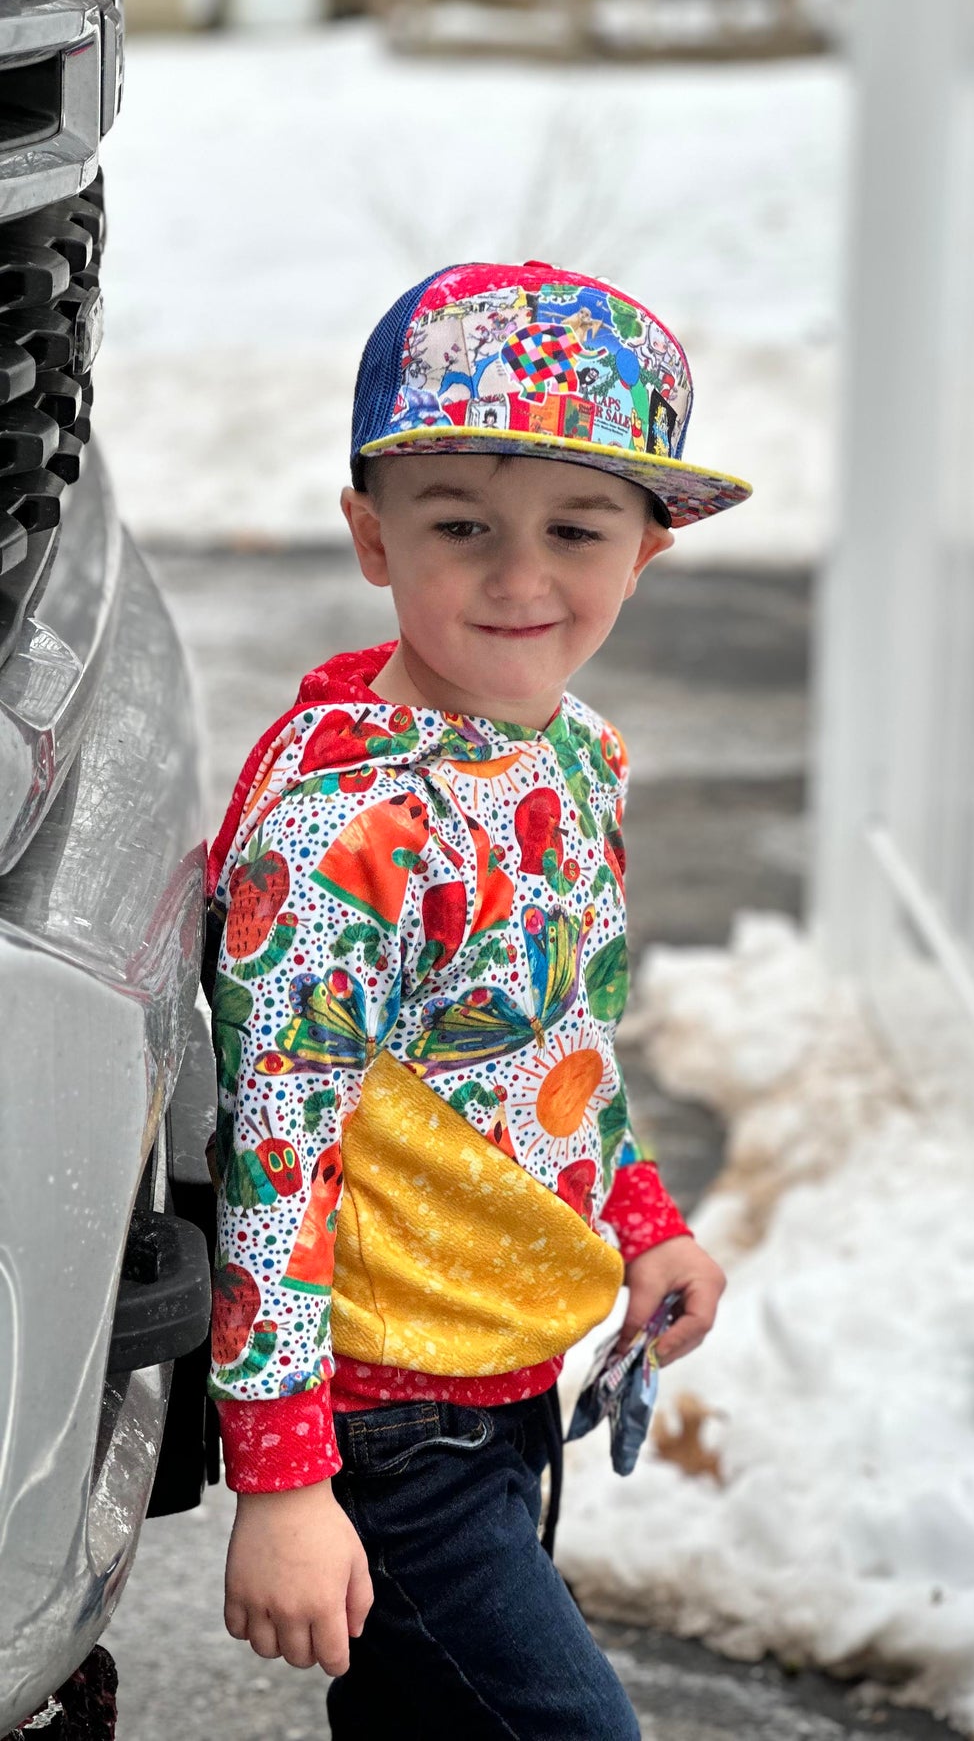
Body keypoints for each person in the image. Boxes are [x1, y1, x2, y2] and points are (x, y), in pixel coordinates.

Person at [202, 259, 753, 1737]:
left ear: (647, 550)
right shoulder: (349, 829)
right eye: (461, 529)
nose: (520, 580)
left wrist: (637, 1215)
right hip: (388, 1422)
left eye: (575, 529)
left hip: (504, 1373)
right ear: (373, 538)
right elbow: (277, 1151)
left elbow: (554, 1048)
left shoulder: (574, 756)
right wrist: (285, 1476)